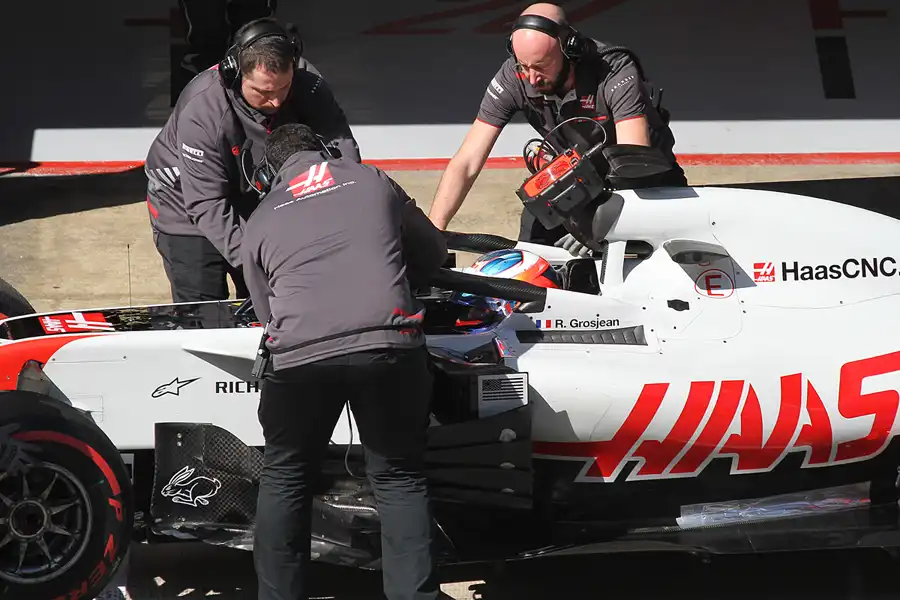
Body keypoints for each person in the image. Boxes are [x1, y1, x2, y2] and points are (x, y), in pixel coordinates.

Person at [240, 122, 449, 600]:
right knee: (398, 476)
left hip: (298, 357)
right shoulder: (371, 179)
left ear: (268, 173)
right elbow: (433, 251)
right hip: (388, 344)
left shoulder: (261, 218)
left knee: (286, 474)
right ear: (326, 152)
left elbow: (266, 312)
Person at [427, 2, 686, 255]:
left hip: (645, 184)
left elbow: (634, 162)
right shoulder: (515, 76)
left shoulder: (614, 69)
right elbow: (467, 161)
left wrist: (603, 228)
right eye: (522, 65)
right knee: (529, 257)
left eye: (540, 67)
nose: (530, 78)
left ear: (569, 50)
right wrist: (431, 233)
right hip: (577, 181)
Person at [145, 17, 360, 303]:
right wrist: (266, 264)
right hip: (188, 209)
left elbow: (341, 151)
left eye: (283, 88)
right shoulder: (202, 109)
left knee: (279, 305)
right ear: (235, 75)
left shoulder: (307, 83)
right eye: (264, 92)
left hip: (260, 198)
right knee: (205, 315)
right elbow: (207, 205)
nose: (276, 102)